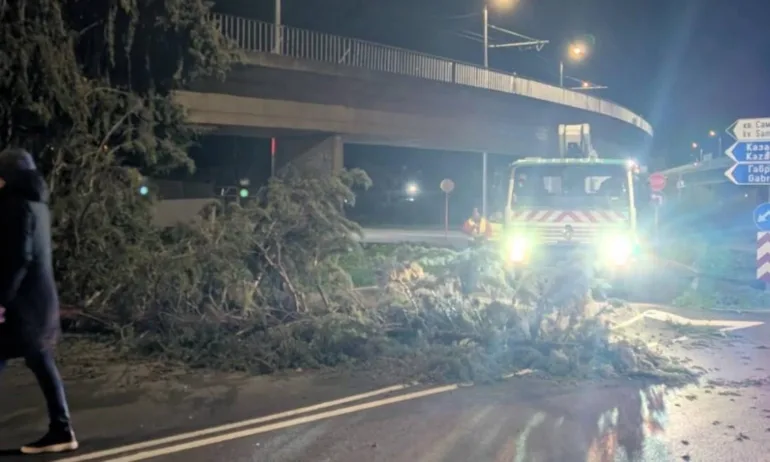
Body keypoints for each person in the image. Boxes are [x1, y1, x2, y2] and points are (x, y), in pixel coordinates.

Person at [0, 148, 78, 454]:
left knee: (34, 358)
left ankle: (62, 429)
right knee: (40, 360)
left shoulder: (15, 205)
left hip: (22, 305)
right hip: (39, 301)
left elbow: (19, 257)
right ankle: (62, 429)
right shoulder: (38, 205)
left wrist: (1, 299)